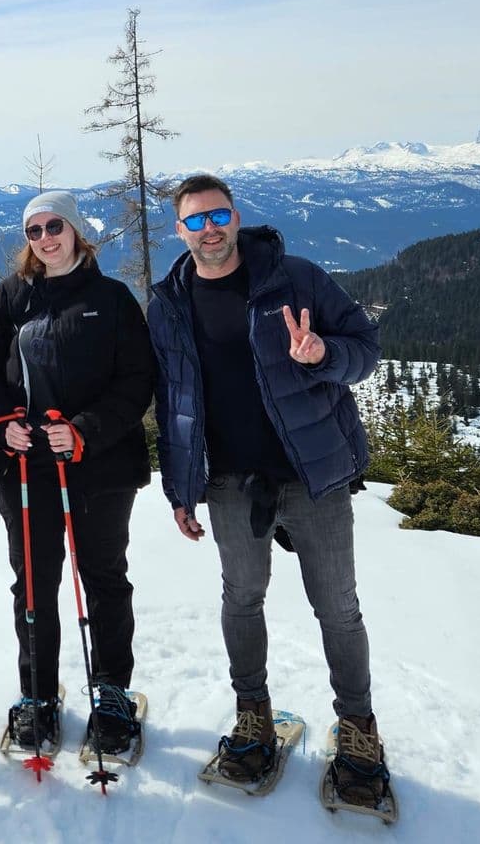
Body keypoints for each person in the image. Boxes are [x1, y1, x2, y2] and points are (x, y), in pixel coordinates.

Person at [147, 174, 390, 804]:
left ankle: (359, 727)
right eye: (195, 220)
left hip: (313, 475)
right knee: (241, 598)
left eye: (218, 216)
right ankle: (252, 715)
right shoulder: (169, 304)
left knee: (337, 606)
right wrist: (180, 486)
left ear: (236, 217)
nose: (209, 230)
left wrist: (322, 357)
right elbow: (173, 401)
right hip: (230, 482)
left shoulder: (295, 279)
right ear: (180, 230)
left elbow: (366, 348)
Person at [0, 190, 155, 755]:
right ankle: (38, 694)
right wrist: (2, 425)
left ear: (76, 231)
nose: (45, 238)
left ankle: (112, 692)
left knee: (103, 578)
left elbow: (136, 380)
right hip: (25, 467)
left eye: (55, 227)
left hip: (98, 465)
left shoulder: (113, 300)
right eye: (34, 231)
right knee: (34, 584)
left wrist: (85, 429)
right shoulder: (11, 297)